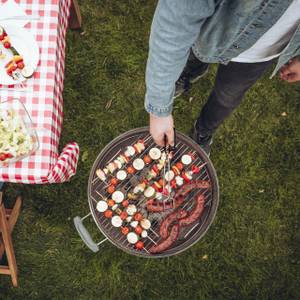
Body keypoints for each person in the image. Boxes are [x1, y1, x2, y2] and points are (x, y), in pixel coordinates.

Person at [145, 0, 300, 155]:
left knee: (227, 98)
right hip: (211, 32)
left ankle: (203, 131)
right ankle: (190, 72)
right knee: (197, 55)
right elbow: (176, 21)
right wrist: (159, 108)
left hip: (259, 54)